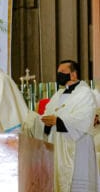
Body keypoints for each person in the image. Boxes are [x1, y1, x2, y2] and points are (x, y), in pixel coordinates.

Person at [23, 60, 98, 191]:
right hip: (58, 147)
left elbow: (84, 119)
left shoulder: (85, 93)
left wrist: (58, 121)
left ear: (73, 74)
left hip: (78, 148)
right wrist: (37, 121)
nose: (59, 75)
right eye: (58, 73)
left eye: (63, 72)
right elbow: (47, 116)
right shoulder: (58, 95)